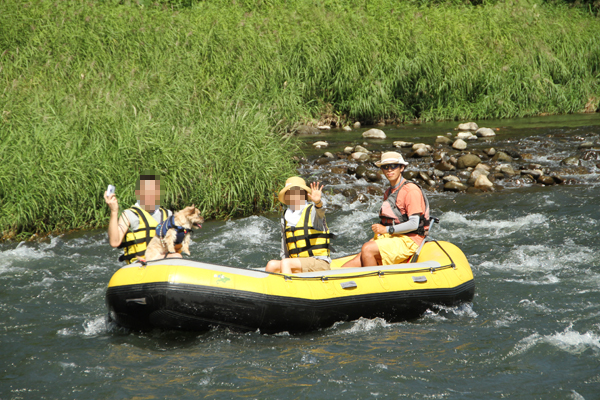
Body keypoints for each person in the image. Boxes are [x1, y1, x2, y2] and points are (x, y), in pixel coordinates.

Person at [342, 152, 430, 268]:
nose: (389, 170)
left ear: (402, 167)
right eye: (385, 167)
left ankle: (375, 283)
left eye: (393, 166)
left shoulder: (411, 190)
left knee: (368, 249)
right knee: (351, 264)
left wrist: (386, 229)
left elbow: (414, 224)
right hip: (394, 236)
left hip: (410, 240)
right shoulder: (388, 192)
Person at [104, 174, 181, 264]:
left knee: (176, 256)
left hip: (162, 262)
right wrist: (114, 211)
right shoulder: (129, 215)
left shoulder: (168, 214)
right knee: (176, 257)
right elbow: (114, 242)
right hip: (138, 265)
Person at [265, 177, 333, 274]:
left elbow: (320, 210)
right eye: (290, 193)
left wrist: (318, 202)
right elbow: (284, 248)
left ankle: (289, 288)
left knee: (286, 263)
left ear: (304, 194)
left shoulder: (313, 211)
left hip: (318, 262)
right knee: (271, 265)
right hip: (295, 263)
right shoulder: (285, 216)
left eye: (297, 193)